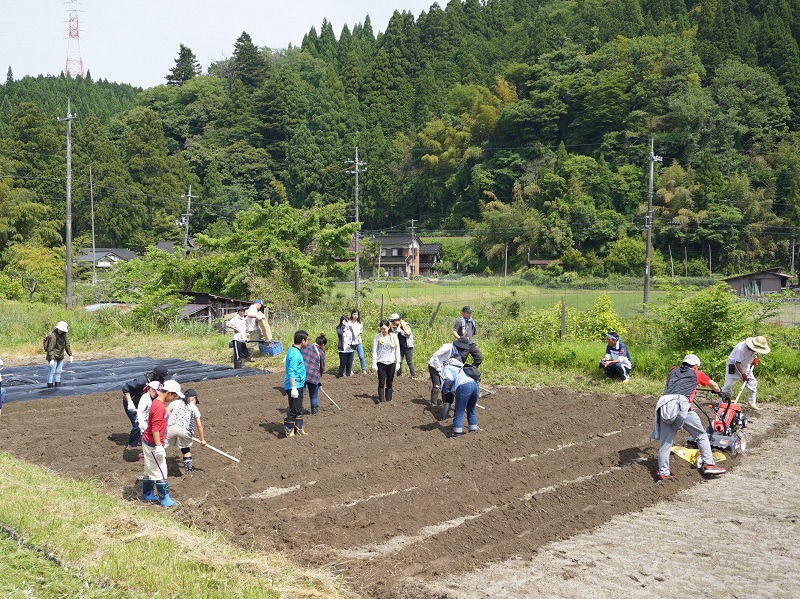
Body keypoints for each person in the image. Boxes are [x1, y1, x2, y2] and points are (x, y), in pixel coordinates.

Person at [650, 354, 726, 481]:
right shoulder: (697, 374)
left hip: (665, 406)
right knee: (701, 435)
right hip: (682, 408)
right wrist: (719, 391)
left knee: (665, 443)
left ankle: (664, 473)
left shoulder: (673, 370)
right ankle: (709, 464)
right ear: (695, 367)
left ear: (683, 364)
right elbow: (714, 385)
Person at [141, 379, 184, 507]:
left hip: (148, 441)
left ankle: (147, 493)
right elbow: (155, 428)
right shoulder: (159, 407)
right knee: (161, 470)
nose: (173, 398)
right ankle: (165, 499)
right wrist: (159, 446)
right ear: (169, 393)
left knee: (149, 469)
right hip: (153, 444)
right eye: (174, 395)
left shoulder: (157, 403)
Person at [121, 363, 169, 452]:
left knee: (148, 421)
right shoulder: (141, 381)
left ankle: (148, 441)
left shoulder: (156, 384)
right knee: (137, 424)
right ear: (157, 377)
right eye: (162, 378)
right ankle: (131, 446)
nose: (163, 381)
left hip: (144, 403)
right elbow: (125, 388)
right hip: (132, 403)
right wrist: (130, 403)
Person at [720, 336, 770, 410]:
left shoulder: (755, 348)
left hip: (746, 365)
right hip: (734, 365)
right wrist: (743, 374)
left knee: (752, 383)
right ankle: (724, 403)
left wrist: (755, 359)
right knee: (728, 385)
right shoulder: (741, 349)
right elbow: (738, 363)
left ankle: (752, 403)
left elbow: (755, 353)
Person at [166, 388, 206, 474]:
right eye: (195, 400)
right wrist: (202, 439)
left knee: (161, 447)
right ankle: (189, 472)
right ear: (192, 398)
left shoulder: (176, 402)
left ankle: (157, 468)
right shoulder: (193, 407)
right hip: (185, 430)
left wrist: (171, 420)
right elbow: (199, 425)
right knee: (186, 450)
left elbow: (167, 410)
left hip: (171, 428)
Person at [428, 336, 471, 414]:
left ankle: (445, 404)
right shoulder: (448, 347)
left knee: (445, 385)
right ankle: (433, 405)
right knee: (437, 386)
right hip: (434, 366)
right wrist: (438, 368)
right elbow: (435, 355)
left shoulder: (457, 352)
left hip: (444, 368)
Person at [442, 353, 481, 437]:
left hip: (464, 387)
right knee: (471, 409)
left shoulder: (447, 366)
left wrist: (449, 385)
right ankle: (473, 429)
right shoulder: (462, 366)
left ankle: (457, 432)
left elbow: (450, 378)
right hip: (476, 385)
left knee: (459, 410)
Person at [283, 330, 309, 437]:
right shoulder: (294, 353)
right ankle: (290, 430)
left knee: (297, 408)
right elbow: (291, 371)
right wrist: (293, 387)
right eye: (307, 340)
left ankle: (297, 429)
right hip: (295, 385)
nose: (307, 342)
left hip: (298, 385)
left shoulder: (295, 351)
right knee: (295, 409)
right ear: (302, 341)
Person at [372, 319, 400, 403]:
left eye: (384, 328)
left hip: (391, 362)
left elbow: (397, 349)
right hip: (381, 362)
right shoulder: (377, 337)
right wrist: (374, 362)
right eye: (381, 329)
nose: (383, 330)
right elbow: (374, 350)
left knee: (389, 382)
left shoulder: (393, 337)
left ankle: (389, 400)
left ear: (388, 327)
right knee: (381, 382)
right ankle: (381, 401)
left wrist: (398, 362)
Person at [301, 334, 327, 414]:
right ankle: (315, 413)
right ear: (322, 345)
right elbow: (321, 368)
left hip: (302, 374)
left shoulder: (306, 346)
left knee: (301, 394)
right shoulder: (321, 353)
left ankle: (297, 411)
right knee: (314, 396)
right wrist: (319, 381)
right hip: (313, 376)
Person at [45, 321, 72, 389]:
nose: (61, 331)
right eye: (60, 329)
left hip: (60, 357)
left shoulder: (64, 335)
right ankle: (50, 389)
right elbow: (50, 348)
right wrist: (51, 359)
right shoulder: (53, 336)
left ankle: (58, 388)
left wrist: (70, 354)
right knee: (51, 373)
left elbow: (67, 345)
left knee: (58, 373)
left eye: (62, 330)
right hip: (53, 357)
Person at [389, 313, 416, 378]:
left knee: (409, 362)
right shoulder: (395, 327)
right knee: (399, 361)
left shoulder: (405, 325)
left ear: (397, 320)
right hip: (400, 346)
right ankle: (399, 375)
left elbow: (408, 334)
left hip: (408, 346)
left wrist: (400, 331)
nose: (392, 323)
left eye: (393, 321)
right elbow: (394, 336)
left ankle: (413, 376)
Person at [349, 309, 367, 374]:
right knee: (351, 358)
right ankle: (350, 370)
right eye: (354, 314)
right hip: (351, 342)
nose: (355, 316)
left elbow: (360, 331)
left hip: (358, 341)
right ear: (352, 314)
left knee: (361, 356)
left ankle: (364, 369)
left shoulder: (360, 323)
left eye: (357, 314)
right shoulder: (349, 323)